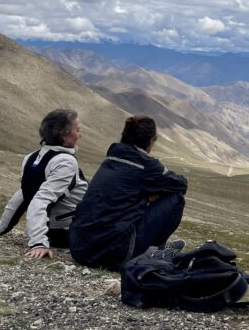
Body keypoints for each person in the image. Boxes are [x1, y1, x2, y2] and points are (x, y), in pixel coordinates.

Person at [69, 115, 187, 270]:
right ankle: (155, 253)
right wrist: (152, 193)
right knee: (175, 198)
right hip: (113, 254)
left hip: (79, 249)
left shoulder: (111, 158)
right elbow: (181, 184)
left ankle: (150, 249)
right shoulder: (146, 165)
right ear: (150, 141)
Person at [0, 109, 87, 260]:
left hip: (52, 231)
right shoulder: (65, 162)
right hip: (70, 231)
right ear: (64, 135)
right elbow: (41, 200)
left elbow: (23, 195)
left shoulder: (31, 158)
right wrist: (38, 243)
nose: (80, 135)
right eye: (78, 130)